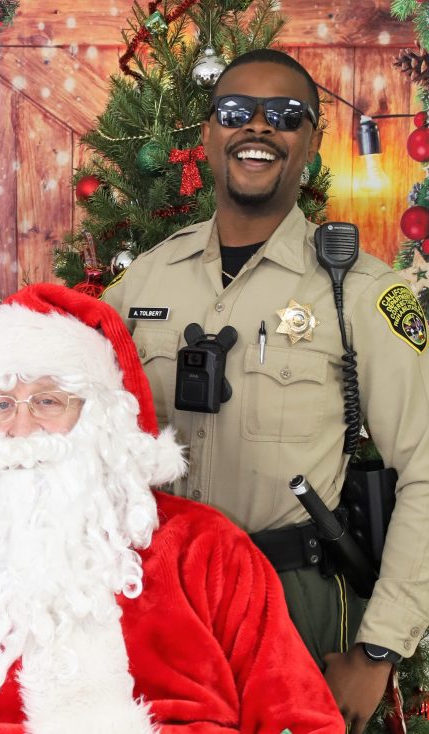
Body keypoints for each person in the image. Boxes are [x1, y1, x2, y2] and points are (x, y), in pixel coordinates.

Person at [0, 283, 344, 733]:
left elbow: (296, 713)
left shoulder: (204, 547)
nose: (22, 427)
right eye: (0, 404)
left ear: (98, 416)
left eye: (48, 401)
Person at [101, 48, 429, 732]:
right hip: (154, 597)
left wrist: (377, 649)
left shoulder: (363, 294)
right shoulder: (144, 283)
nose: (257, 128)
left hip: (294, 603)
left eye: (283, 115)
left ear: (311, 139)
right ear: (209, 135)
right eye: (233, 112)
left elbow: (426, 471)